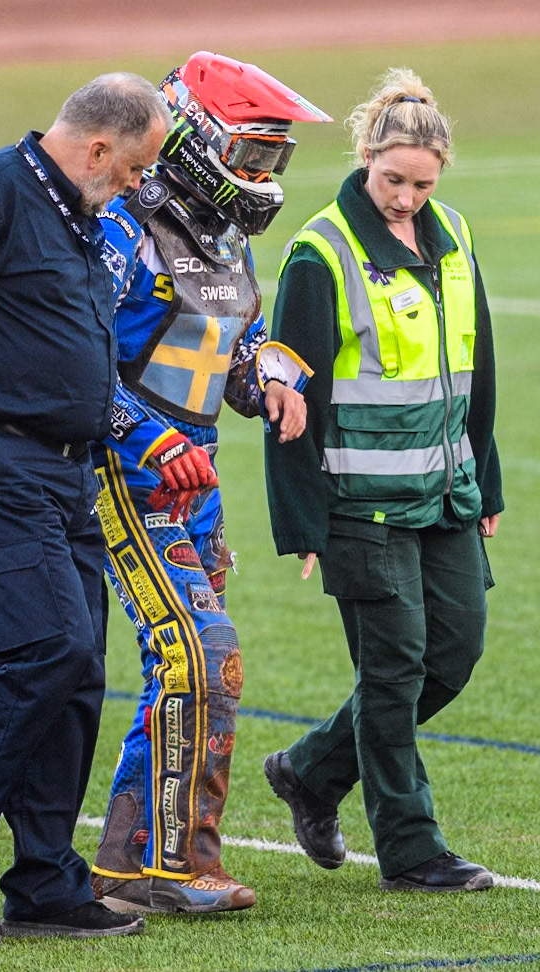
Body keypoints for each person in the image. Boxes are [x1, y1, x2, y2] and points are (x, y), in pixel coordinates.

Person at [0, 73, 170, 943]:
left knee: (80, 668)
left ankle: (45, 880)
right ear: (94, 148)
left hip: (66, 471)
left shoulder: (79, 216)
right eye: (131, 168)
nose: (135, 185)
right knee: (48, 648)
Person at [86, 52, 328, 915]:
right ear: (193, 140)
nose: (262, 176)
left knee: (181, 668)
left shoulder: (222, 237)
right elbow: (76, 367)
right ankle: (176, 864)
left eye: (273, 160)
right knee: (202, 656)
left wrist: (269, 377)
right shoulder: (119, 229)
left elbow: (238, 341)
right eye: (252, 154)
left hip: (198, 479)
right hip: (124, 474)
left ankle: (125, 860)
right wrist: (147, 440)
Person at [260, 67, 503, 892]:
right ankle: (410, 849)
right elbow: (287, 395)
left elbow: (478, 368)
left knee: (454, 655)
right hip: (357, 506)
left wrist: (488, 485)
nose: (404, 197)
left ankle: (310, 770)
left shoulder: (455, 235)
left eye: (421, 183)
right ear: (365, 156)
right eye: (392, 179)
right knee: (393, 673)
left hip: (447, 495)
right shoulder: (318, 251)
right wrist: (301, 523)